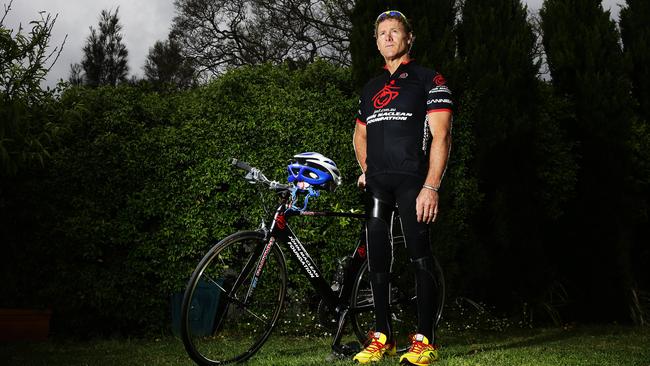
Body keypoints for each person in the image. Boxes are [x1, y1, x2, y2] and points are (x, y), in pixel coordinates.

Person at [352, 10, 453, 365]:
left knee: (419, 256)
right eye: (382, 33)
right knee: (378, 260)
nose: (389, 37)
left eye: (396, 31)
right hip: (378, 185)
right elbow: (360, 134)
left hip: (413, 182)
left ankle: (425, 340)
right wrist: (367, 169)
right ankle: (383, 337)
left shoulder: (429, 78)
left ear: (409, 38)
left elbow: (442, 135)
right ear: (377, 42)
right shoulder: (370, 87)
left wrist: (432, 186)